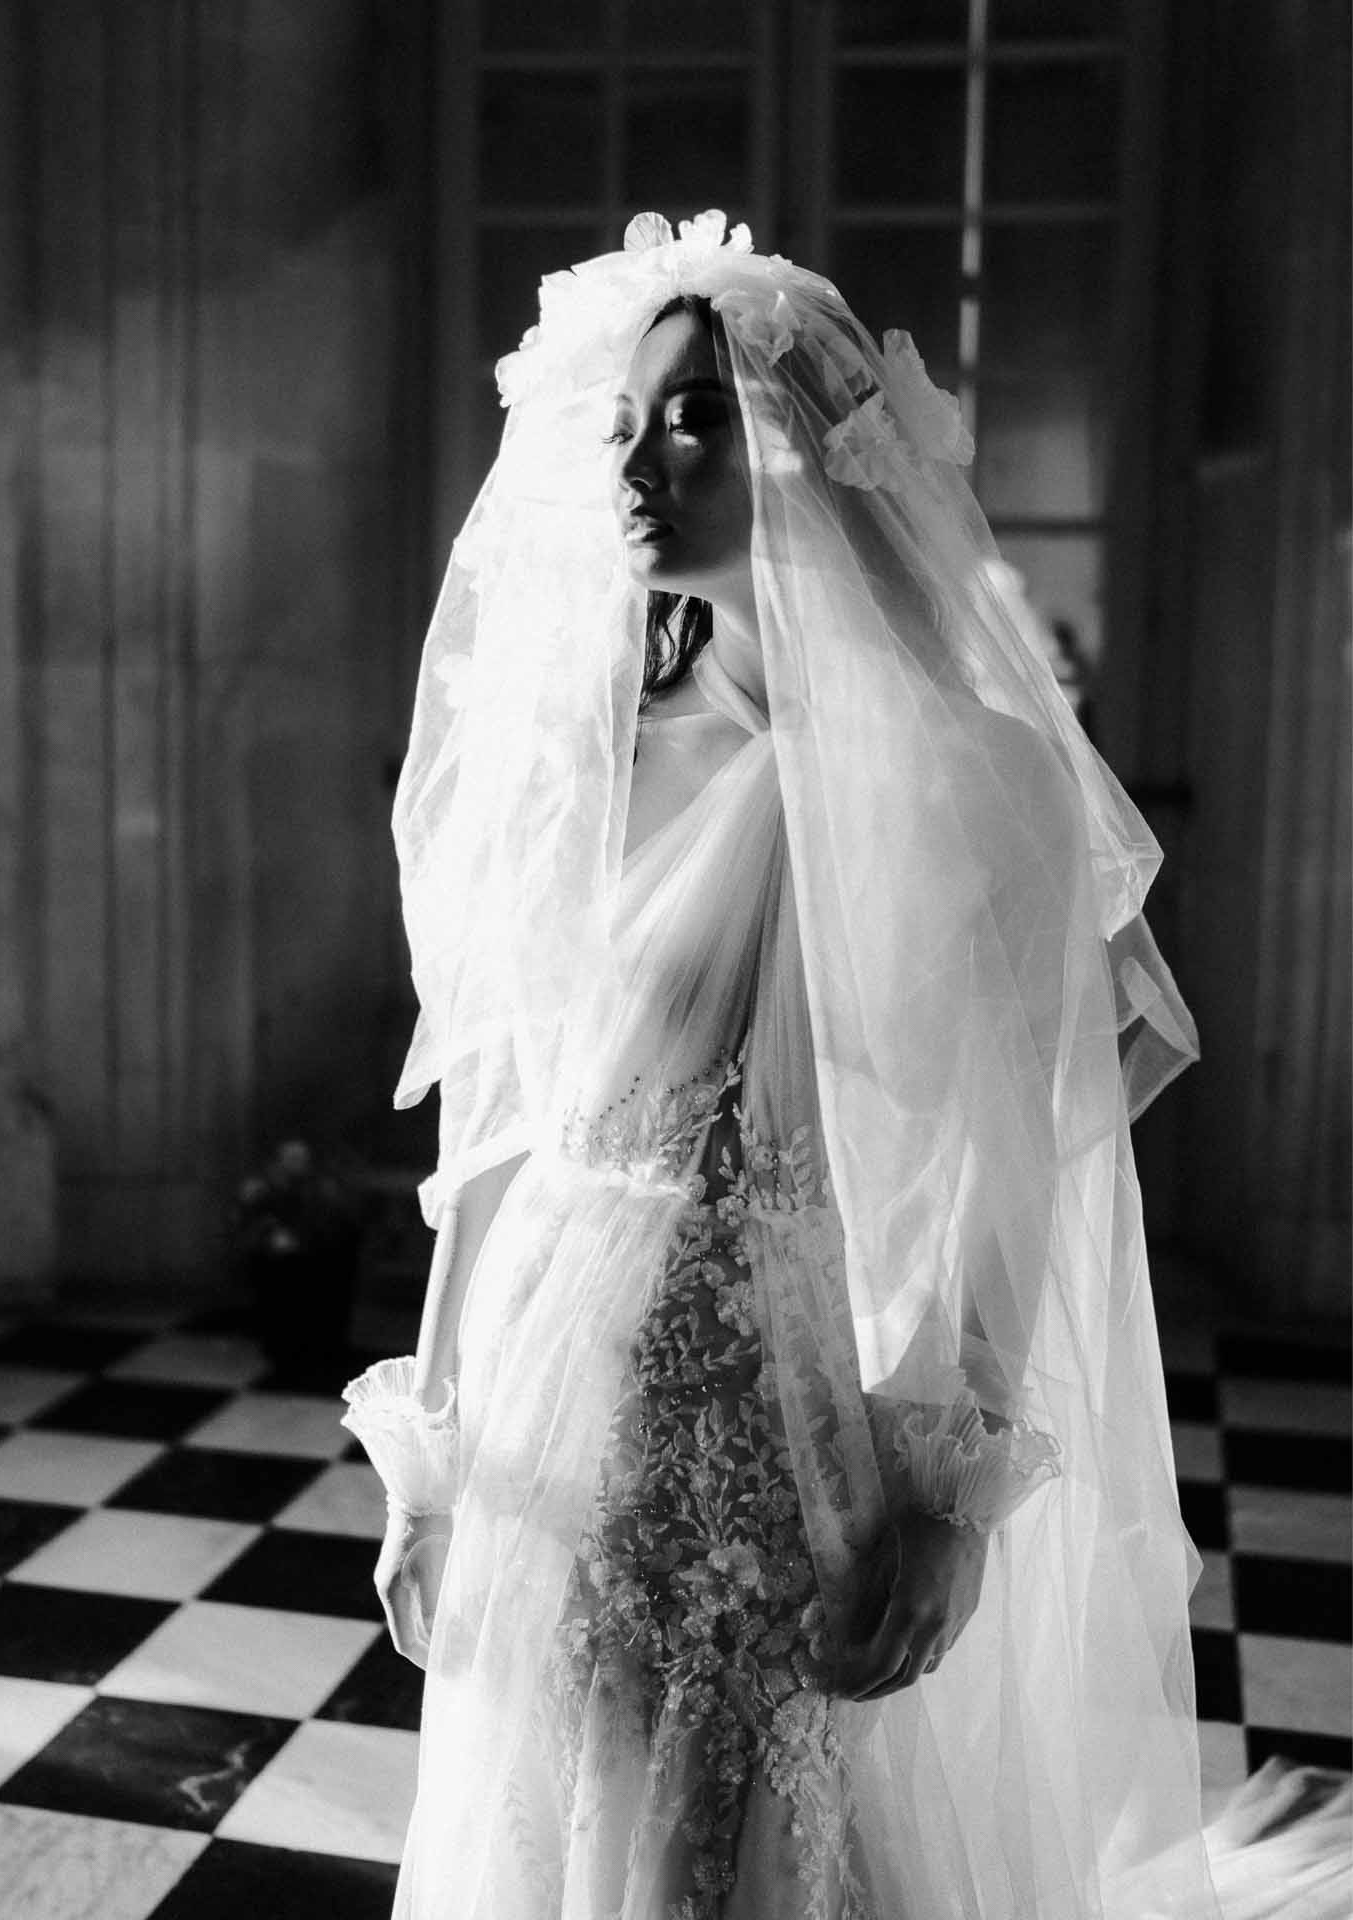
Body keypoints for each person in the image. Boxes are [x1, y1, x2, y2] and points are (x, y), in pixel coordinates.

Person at [343, 213, 1350, 1920]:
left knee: (761, 1838)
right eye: (631, 419)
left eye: (697, 417)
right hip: (556, 1373)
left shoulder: (972, 778)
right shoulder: (591, 750)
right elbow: (500, 1131)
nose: (640, 461)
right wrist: (435, 1458)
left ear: (811, 448)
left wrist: (949, 1493)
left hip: (784, 1407)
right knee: (562, 1818)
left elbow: (1011, 1155)